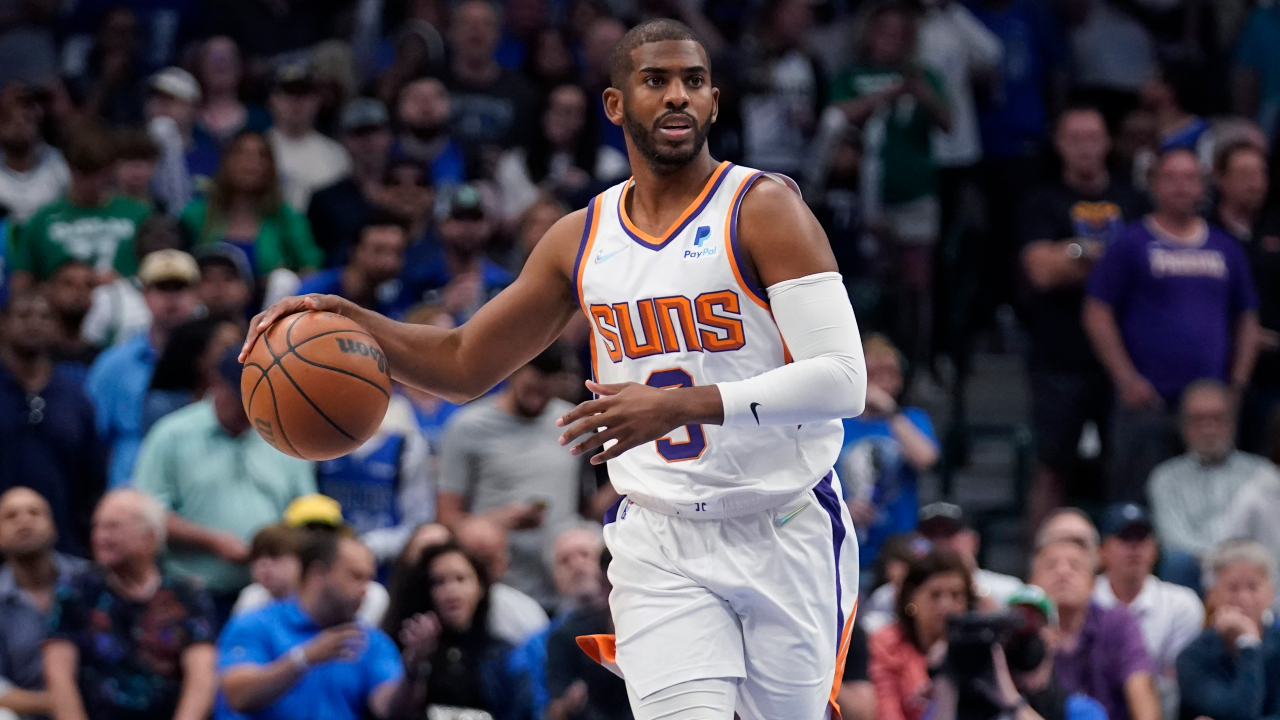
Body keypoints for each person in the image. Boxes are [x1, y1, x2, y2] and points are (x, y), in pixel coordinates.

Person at [242, 17, 867, 719]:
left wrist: (683, 404)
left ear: (714, 102)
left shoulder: (763, 209)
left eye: (693, 82)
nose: (676, 97)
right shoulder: (582, 237)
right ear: (615, 104)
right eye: (655, 81)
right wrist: (355, 321)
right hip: (659, 537)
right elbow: (463, 362)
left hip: (781, 523)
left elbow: (843, 379)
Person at [1084, 147, 1262, 503]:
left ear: (1203, 186)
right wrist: (1125, 377)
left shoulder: (1225, 247)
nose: (1181, 187)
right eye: (1171, 178)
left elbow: (1247, 318)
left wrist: (1238, 384)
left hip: (1210, 405)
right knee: (1137, 499)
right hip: (1148, 401)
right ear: (1155, 185)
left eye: (1190, 178)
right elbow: (1096, 311)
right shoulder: (1131, 243)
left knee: (1215, 502)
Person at [1020, 106, 1150, 522]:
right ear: (1059, 145)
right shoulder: (1042, 202)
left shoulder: (1135, 199)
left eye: (1093, 137)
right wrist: (1102, 255)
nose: (1086, 147)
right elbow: (1041, 270)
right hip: (1058, 358)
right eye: (1075, 138)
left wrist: (1073, 256)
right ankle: (1038, 564)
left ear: (1108, 142)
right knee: (1052, 467)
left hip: (1128, 360)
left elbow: (1145, 271)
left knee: (1128, 470)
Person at [132, 347, 315, 617]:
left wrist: (272, 548)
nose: (248, 410)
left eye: (258, 400)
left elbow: (304, 512)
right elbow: (145, 513)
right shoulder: (173, 435)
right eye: (242, 399)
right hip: (190, 592)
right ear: (217, 385)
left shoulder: (283, 438)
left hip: (267, 597)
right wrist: (212, 541)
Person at [831, 1, 950, 363]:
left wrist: (920, 93)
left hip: (916, 191)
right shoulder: (849, 76)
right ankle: (868, 362)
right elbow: (835, 117)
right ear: (868, 35)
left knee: (917, 285)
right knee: (871, 283)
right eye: (885, 32)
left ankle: (919, 362)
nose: (892, 41)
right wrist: (882, 97)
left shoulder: (924, 76)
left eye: (901, 34)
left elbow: (949, 123)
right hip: (865, 197)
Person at [218, 531, 433, 720]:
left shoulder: (370, 641)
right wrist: (304, 658)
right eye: (356, 576)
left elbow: (387, 708)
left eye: (368, 579)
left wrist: (413, 672)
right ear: (318, 573)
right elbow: (238, 696)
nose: (365, 590)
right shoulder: (255, 624)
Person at [43, 489, 218, 720]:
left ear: (151, 538)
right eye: (97, 527)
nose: (100, 537)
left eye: (113, 527)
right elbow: (59, 676)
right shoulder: (76, 590)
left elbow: (201, 679)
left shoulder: (187, 594)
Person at [436, 347, 587, 606]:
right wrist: (496, 521)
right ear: (512, 371)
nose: (539, 397)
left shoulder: (575, 422)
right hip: (497, 588)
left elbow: (589, 506)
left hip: (561, 589)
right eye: (532, 387)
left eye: (548, 388)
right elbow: (446, 518)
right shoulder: (468, 427)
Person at [376, 542, 531, 719]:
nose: (451, 592)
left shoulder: (504, 654)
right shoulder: (403, 647)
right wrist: (415, 668)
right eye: (438, 582)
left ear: (480, 587)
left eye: (460, 579)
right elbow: (392, 712)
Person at [0, 292, 104, 554]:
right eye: (23, 315)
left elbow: (93, 478)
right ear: (4, 323)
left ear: (55, 326)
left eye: (44, 316)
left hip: (65, 547)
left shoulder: (74, 396)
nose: (33, 323)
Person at [85, 249, 199, 487]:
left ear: (196, 294)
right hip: (131, 485)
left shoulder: (209, 359)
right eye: (161, 287)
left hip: (195, 480)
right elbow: (93, 438)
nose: (171, 297)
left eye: (179, 287)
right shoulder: (114, 364)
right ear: (144, 294)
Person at [1091, 503, 1203, 719]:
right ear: (1101, 551)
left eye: (1142, 538)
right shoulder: (1087, 598)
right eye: (1124, 538)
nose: (1135, 548)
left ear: (1154, 549)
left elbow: (1176, 679)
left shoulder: (1182, 603)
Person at [1029, 535, 1160, 720]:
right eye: (1051, 566)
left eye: (1075, 566)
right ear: (1032, 582)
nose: (1063, 572)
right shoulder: (1020, 629)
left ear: (1092, 583)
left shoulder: (1118, 623)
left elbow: (1141, 687)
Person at [837, 333, 938, 571]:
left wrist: (890, 412)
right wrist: (840, 507)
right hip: (843, 543)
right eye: (873, 373)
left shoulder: (911, 419)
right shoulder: (834, 423)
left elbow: (925, 458)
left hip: (898, 549)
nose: (881, 381)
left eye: (890, 372)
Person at [8, 124, 151, 290]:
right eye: (84, 174)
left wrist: (125, 283)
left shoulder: (141, 215)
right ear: (69, 168)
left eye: (100, 174)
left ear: (111, 170)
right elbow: (22, 286)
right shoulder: (41, 221)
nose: (93, 183)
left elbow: (161, 276)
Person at [1148, 379, 1280, 558]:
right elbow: (1173, 539)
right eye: (1198, 420)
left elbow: (1270, 535)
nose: (1209, 429)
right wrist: (1216, 560)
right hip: (1194, 567)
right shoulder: (1165, 478)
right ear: (1183, 426)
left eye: (1217, 418)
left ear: (1232, 421)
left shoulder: (1262, 473)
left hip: (1251, 567)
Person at [311, 382, 436, 565]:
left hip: (389, 566)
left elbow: (419, 522)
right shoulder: (314, 441)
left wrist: (369, 546)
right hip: (327, 562)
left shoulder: (407, 446)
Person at [181, 131, 322, 280]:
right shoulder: (195, 214)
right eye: (241, 153)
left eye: (261, 155)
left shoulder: (286, 219)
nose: (252, 162)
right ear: (225, 161)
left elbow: (312, 270)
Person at [230, 498, 391, 628]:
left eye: (326, 532)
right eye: (305, 531)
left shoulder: (372, 595)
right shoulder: (253, 598)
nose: (316, 540)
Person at [0, 487, 89, 720]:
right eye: (10, 516)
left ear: (54, 526)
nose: (24, 521)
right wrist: (63, 703)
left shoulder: (93, 581)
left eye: (35, 512)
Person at [1176, 539, 1280, 719]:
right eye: (1233, 588)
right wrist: (1249, 644)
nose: (1244, 599)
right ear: (1212, 595)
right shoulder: (1192, 658)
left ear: (1270, 593)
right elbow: (1239, 714)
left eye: (1253, 587)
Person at [868, 549, 973, 720]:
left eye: (956, 595)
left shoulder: (977, 644)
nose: (946, 605)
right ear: (911, 598)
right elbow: (886, 713)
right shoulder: (886, 643)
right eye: (935, 595)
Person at [400, 183, 514, 321]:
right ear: (440, 224)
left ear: (488, 225)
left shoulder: (505, 283)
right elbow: (395, 327)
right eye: (458, 217)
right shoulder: (419, 280)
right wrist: (440, 308)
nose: (467, 227)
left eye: (476, 218)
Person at [443, 0, 539, 164]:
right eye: (467, 23)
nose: (476, 30)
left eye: (486, 24)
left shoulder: (524, 93)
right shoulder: (431, 86)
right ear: (450, 33)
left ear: (498, 34)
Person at [543, 547, 630, 720]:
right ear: (603, 583)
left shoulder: (672, 632)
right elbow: (555, 711)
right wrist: (571, 703)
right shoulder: (569, 637)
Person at [306, 98, 395, 267]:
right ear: (343, 140)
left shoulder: (409, 189)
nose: (368, 140)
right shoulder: (325, 200)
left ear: (389, 135)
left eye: (374, 131)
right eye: (358, 133)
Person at [265, 63, 352, 213]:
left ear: (317, 100)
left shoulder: (336, 154)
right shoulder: (258, 149)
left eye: (304, 93)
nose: (296, 102)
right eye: (289, 93)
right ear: (273, 100)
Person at [452, 516, 551, 645]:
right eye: (472, 562)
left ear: (505, 561)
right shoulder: (433, 611)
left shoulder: (525, 613)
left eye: (488, 561)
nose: (480, 572)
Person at [140, 315, 244, 434]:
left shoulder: (243, 400)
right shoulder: (161, 406)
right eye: (227, 347)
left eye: (239, 344)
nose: (237, 354)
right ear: (199, 355)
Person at [296, 214, 412, 319]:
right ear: (354, 251)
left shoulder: (400, 295)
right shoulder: (315, 292)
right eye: (378, 251)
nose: (388, 262)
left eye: (397, 252)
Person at [916, 502, 1024, 607]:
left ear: (973, 540)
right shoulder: (908, 589)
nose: (940, 542)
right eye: (931, 534)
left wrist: (969, 578)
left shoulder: (1008, 589)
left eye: (949, 533)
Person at [0, 93, 68, 224]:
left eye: (27, 119)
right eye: (8, 120)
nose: (18, 126)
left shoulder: (59, 164)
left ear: (38, 124)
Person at [191, 36, 269, 146]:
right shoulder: (187, 121)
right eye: (213, 58)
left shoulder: (261, 120)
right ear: (200, 66)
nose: (221, 64)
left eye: (228, 57)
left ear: (241, 66)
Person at [390, 77, 467, 187]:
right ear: (400, 107)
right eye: (416, 99)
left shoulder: (467, 152)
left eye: (435, 97)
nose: (426, 105)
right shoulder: (386, 152)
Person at [43, 260, 100, 370]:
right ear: (50, 291)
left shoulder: (99, 358)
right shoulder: (34, 351)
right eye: (68, 284)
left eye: (88, 285)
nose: (79, 291)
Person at [1211, 141, 1269, 245]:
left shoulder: (1275, 226)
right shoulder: (1204, 231)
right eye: (1244, 175)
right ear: (1222, 179)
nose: (1256, 185)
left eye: (1260, 174)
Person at [192, 243, 253, 321]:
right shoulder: (179, 332)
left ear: (247, 288)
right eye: (208, 279)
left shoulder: (267, 331)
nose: (218, 285)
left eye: (228, 278)